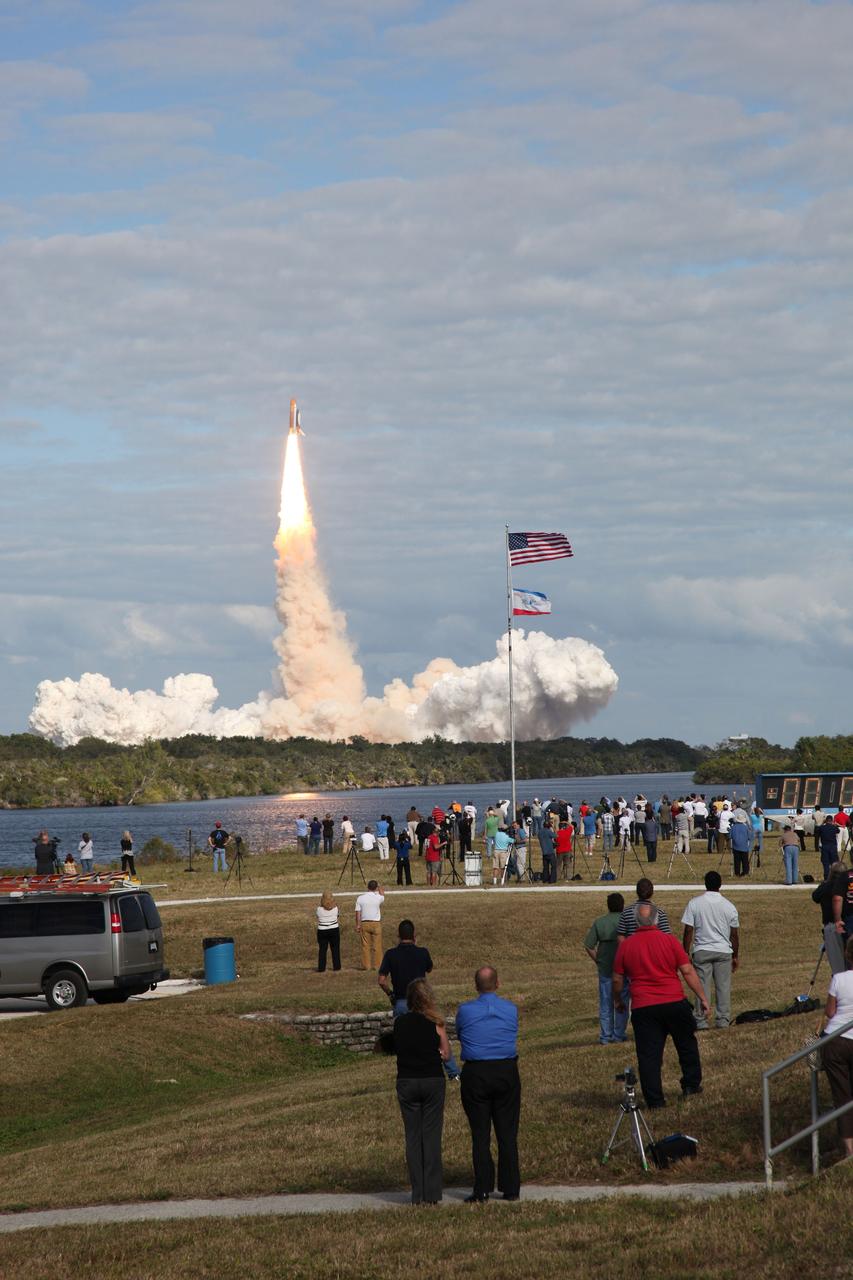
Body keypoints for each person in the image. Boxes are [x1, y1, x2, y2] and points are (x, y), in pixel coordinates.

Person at [613, 902, 709, 1109]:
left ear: (637, 922)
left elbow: (617, 979)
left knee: (649, 1055)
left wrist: (618, 1000)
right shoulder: (669, 941)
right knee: (686, 1045)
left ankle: (655, 1100)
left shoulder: (626, 946)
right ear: (657, 920)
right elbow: (688, 971)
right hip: (673, 1000)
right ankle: (691, 1085)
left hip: (644, 1006)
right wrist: (702, 996)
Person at [456, 965, 521, 1202]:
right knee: (507, 1131)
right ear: (498, 983)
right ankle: (511, 1187)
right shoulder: (511, 1009)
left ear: (475, 986)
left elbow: (461, 1034)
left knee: (480, 1133)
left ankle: (482, 1187)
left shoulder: (464, 1011)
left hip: (477, 1071)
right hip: (505, 1069)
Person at [392, 978, 451, 1205]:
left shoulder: (400, 1023)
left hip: (407, 1080)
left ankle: (417, 1193)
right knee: (431, 1136)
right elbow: (446, 1054)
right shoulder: (436, 1023)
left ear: (409, 1000)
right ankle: (433, 1193)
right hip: (432, 1080)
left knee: (413, 1137)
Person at [681, 871, 739, 1029]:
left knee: (701, 987)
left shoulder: (695, 903)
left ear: (705, 884)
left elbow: (688, 930)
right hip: (723, 951)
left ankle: (701, 1020)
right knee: (723, 986)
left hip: (702, 950)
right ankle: (723, 1019)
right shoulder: (729, 906)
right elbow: (734, 934)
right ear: (720, 885)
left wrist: (685, 952)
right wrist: (735, 955)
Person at [819, 936, 853, 1161]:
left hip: (836, 1040)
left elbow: (830, 1012)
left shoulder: (839, 979)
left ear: (848, 955)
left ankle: (850, 1150)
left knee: (842, 1096)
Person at [584, 892, 629, 1044]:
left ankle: (605, 1036)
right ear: (622, 906)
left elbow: (589, 945)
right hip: (623, 970)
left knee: (605, 1003)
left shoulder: (600, 922)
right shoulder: (626, 922)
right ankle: (619, 1034)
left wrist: (598, 960)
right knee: (622, 1002)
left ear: (608, 906)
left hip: (605, 969)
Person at [379, 920, 434, 1016]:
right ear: (414, 935)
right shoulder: (423, 952)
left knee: (401, 1030)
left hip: (400, 1002)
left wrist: (391, 995)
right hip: (419, 1002)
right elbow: (429, 969)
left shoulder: (390, 954)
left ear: (398, 936)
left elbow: (382, 981)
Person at [812, 862, 848, 975]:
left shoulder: (826, 886)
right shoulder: (846, 885)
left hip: (831, 928)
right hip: (845, 925)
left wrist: (825, 882)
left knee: (837, 967)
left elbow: (815, 896)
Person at [355, 880, 385, 970]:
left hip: (364, 923)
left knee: (365, 946)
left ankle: (366, 965)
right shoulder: (378, 898)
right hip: (376, 923)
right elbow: (382, 894)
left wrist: (358, 925)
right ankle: (378, 965)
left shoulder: (360, 898)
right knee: (377, 946)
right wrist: (379, 886)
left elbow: (358, 913)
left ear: (367, 887)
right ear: (375, 888)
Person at [316, 890, 341, 972]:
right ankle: (337, 966)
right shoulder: (336, 908)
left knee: (322, 949)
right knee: (335, 949)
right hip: (334, 929)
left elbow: (318, 918)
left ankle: (321, 967)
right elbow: (337, 917)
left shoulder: (319, 909)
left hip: (322, 930)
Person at [819, 813, 841, 878]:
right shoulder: (834, 827)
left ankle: (826, 877)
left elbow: (817, 830)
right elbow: (838, 831)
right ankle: (835, 876)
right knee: (834, 863)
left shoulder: (822, 827)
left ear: (826, 820)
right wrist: (834, 825)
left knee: (826, 863)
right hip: (833, 847)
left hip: (825, 846)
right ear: (832, 820)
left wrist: (822, 823)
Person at [539, 820, 557, 884]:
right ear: (549, 826)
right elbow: (556, 836)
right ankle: (552, 880)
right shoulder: (548, 831)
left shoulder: (540, 832)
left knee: (545, 867)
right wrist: (553, 827)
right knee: (553, 866)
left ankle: (545, 879)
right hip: (550, 852)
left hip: (544, 852)